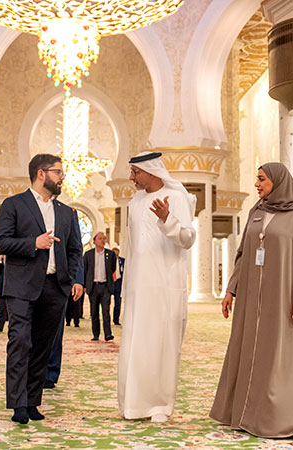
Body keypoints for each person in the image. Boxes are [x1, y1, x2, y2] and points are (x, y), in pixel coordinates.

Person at [209, 162, 293, 440]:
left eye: (261, 179)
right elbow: (243, 253)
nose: (257, 184)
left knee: (279, 354)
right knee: (248, 349)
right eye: (257, 179)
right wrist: (231, 289)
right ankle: (242, 414)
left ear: (277, 181)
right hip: (251, 297)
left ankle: (288, 420)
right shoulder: (257, 210)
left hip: (282, 297)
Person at [0, 153, 82, 424]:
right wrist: (34, 242)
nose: (62, 177)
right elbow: (2, 243)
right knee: (20, 342)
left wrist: (72, 280)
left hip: (55, 288)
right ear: (41, 174)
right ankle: (18, 404)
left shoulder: (67, 213)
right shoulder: (14, 204)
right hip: (21, 286)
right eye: (58, 172)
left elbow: (75, 249)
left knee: (43, 347)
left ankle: (33, 401)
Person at [118, 151, 196, 423]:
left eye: (135, 172)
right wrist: (126, 287)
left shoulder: (176, 198)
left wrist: (167, 220)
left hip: (165, 285)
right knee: (136, 343)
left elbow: (187, 239)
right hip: (140, 286)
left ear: (151, 171)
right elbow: (131, 247)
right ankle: (133, 404)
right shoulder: (136, 202)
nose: (131, 178)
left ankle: (160, 406)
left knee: (161, 344)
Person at [45, 242, 84, 389]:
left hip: (59, 281)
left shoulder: (67, 217)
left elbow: (75, 248)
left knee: (56, 329)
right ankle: (32, 371)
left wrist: (78, 280)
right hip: (31, 278)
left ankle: (50, 373)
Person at [83, 232, 116, 341]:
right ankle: (96, 334)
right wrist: (84, 285)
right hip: (93, 287)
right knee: (94, 312)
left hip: (105, 286)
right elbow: (85, 270)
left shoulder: (110, 254)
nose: (102, 240)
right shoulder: (88, 255)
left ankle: (108, 334)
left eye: (104, 238)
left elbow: (113, 268)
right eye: (100, 238)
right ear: (94, 241)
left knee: (106, 312)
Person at [112, 247, 125, 325]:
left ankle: (116, 320)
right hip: (110, 283)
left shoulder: (122, 261)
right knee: (107, 302)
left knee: (118, 302)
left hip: (119, 282)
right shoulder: (108, 260)